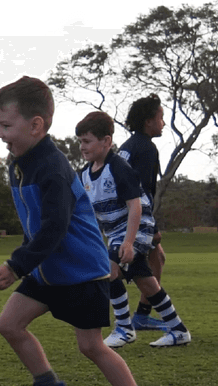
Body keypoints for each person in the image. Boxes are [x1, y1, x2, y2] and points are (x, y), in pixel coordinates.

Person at [0, 76, 137, 386]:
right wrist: (26, 262)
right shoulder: (17, 163)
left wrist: (16, 266)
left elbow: (54, 228)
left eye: (6, 125)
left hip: (82, 274)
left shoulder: (53, 168)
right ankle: (49, 383)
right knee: (10, 325)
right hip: (47, 271)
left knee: (91, 347)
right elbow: (34, 225)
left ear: (36, 125)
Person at [76, 111, 190, 348]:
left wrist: (128, 243)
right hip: (115, 233)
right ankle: (178, 330)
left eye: (86, 141)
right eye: (80, 142)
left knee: (109, 269)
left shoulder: (118, 167)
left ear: (106, 141)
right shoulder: (85, 174)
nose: (82, 147)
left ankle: (125, 328)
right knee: (146, 282)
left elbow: (135, 207)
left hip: (136, 228)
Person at [117, 94, 169, 331]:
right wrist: (152, 227)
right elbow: (142, 189)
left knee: (157, 257)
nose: (163, 123)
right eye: (161, 118)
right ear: (148, 121)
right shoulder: (146, 148)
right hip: (133, 216)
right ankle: (139, 317)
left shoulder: (127, 147)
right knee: (131, 265)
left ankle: (140, 315)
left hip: (119, 215)